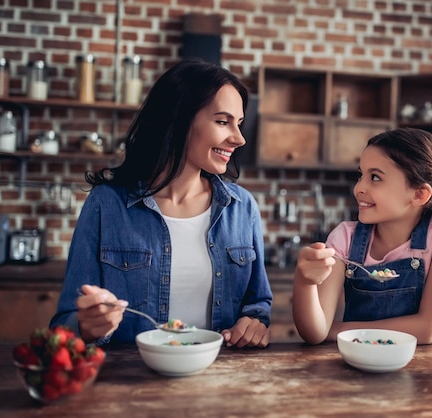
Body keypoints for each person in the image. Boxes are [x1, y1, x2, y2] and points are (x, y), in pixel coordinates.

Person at [50, 59, 272, 348]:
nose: (239, 138)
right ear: (179, 119)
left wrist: (254, 324)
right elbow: (64, 324)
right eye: (222, 121)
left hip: (220, 381)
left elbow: (257, 305)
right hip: (130, 384)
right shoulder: (106, 205)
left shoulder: (242, 208)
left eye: (239, 123)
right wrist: (88, 326)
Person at [292, 128, 432, 345]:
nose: (359, 188)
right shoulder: (345, 237)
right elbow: (314, 333)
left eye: (375, 177)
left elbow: (427, 329)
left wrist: (338, 330)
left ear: (419, 194)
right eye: (360, 175)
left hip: (427, 367)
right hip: (362, 363)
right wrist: (305, 282)